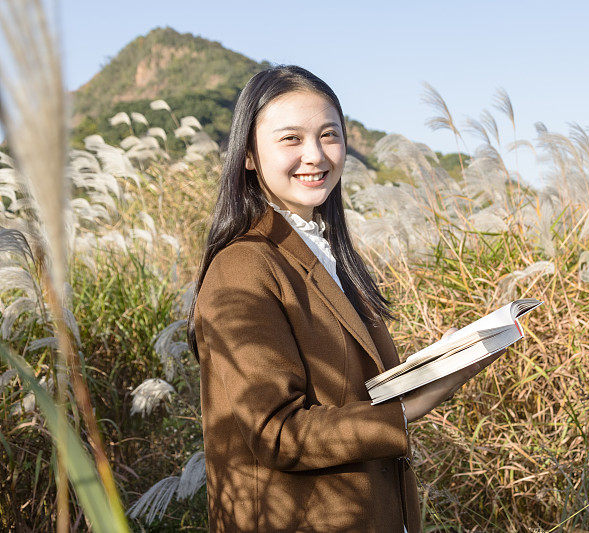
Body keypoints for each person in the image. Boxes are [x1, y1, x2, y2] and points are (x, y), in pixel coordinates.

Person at [187, 65, 504, 532]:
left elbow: (349, 393)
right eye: (290, 139)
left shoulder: (325, 250)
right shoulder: (243, 265)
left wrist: (438, 366)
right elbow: (278, 433)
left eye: (328, 136)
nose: (315, 156)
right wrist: (409, 407)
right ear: (249, 154)